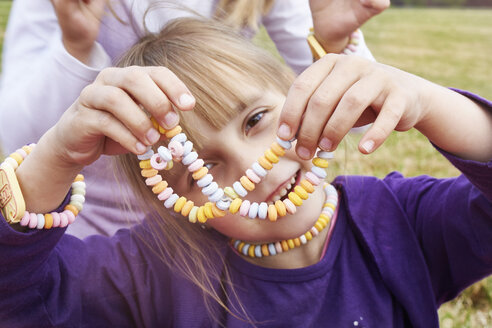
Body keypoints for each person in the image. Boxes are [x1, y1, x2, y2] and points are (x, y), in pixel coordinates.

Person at [1, 17, 491, 327]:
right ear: (175, 204)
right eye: (200, 170)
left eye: (256, 120)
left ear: (296, 88)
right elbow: (18, 296)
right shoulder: (153, 272)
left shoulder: (399, 221)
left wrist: (427, 101)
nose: (254, 167)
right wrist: (58, 156)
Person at [0, 0, 388, 238]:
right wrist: (76, 46)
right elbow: (16, 135)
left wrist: (332, 46)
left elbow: (360, 123)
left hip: (216, 217)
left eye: (254, 121)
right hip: (89, 222)